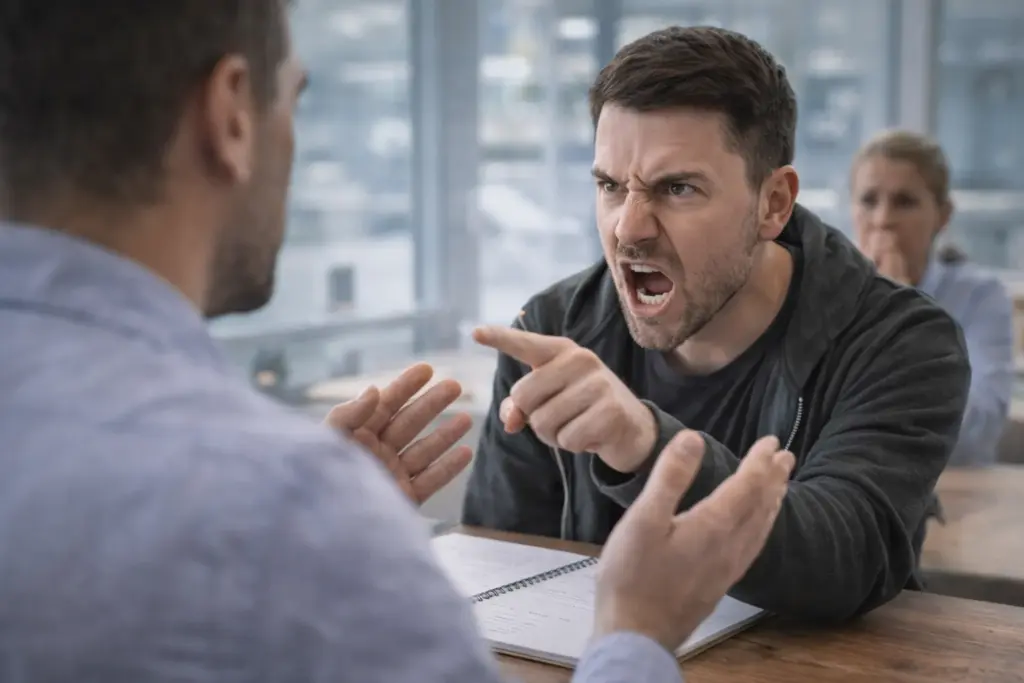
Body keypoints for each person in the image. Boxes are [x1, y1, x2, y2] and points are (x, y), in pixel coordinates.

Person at [0, 3, 796, 682]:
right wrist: (635, 636)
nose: (629, 224)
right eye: (295, 99)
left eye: (676, 187)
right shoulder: (283, 506)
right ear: (232, 114)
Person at [462, 25, 972, 623]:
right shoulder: (551, 330)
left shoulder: (902, 342)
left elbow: (848, 559)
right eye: (609, 186)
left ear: (774, 204)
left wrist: (649, 447)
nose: (629, 228)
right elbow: (501, 577)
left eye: (677, 188)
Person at [850, 129, 1015, 467]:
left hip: (958, 492)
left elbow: (977, 433)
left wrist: (896, 311)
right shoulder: (826, 295)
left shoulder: (980, 297)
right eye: (869, 200)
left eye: (905, 202)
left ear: (942, 215)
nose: (882, 220)